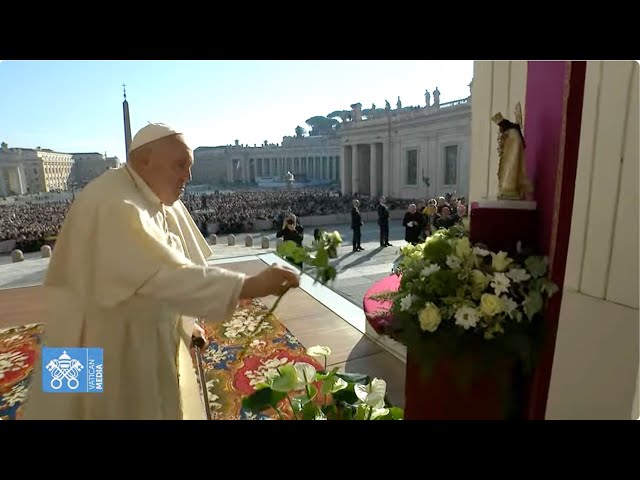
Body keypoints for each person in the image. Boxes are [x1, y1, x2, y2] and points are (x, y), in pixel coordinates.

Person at [23, 123, 300, 420]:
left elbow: (167, 267)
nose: (188, 177)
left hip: (143, 331)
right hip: (106, 341)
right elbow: (165, 277)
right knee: (102, 409)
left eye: (190, 166)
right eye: (180, 165)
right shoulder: (115, 203)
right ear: (144, 161)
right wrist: (253, 285)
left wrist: (185, 323)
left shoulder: (155, 193)